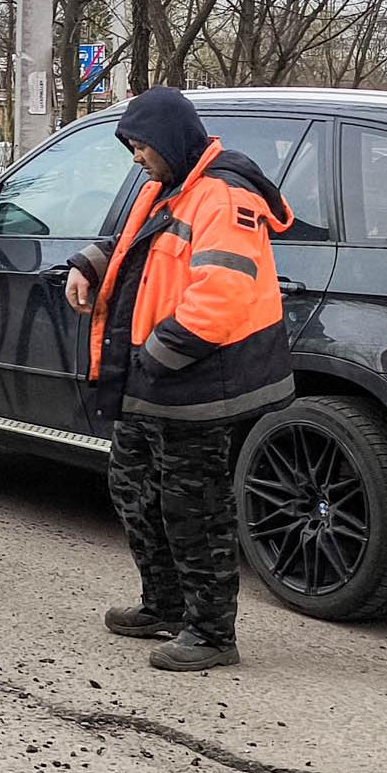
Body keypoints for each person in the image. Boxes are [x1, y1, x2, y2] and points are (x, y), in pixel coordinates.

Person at [65, 84, 294, 672]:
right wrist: (90, 264)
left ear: (169, 140)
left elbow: (221, 292)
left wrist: (160, 354)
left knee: (193, 505)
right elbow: (136, 247)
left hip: (196, 377)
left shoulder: (223, 195)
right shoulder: (169, 187)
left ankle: (213, 632)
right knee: (133, 486)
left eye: (140, 146)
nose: (135, 157)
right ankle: (164, 604)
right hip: (157, 375)